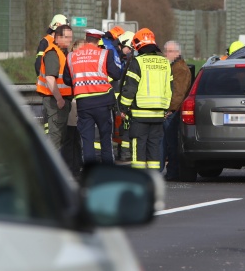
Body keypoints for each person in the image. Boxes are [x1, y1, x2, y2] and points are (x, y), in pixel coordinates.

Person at [118, 28, 172, 170]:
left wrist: (123, 107)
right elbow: (170, 88)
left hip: (140, 114)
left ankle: (139, 179)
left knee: (139, 146)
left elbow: (130, 88)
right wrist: (167, 108)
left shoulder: (137, 62)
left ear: (138, 45)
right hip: (158, 115)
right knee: (154, 146)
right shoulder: (165, 63)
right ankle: (154, 177)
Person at [68, 29, 121, 165]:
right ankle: (108, 171)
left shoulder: (72, 56)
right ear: (98, 40)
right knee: (105, 139)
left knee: (87, 141)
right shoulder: (104, 54)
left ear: (86, 39)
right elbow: (116, 74)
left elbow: (68, 80)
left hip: (83, 104)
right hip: (103, 103)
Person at [36, 24, 73, 153]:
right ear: (57, 38)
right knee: (55, 137)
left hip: (61, 100)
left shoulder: (64, 53)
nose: (69, 40)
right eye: (66, 37)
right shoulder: (52, 53)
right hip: (55, 101)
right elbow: (50, 78)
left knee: (59, 136)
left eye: (70, 37)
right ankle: (49, 170)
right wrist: (59, 99)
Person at [161, 41, 192, 181]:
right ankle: (171, 172)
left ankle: (173, 172)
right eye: (165, 51)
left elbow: (178, 93)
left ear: (177, 53)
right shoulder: (173, 67)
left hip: (173, 113)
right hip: (171, 112)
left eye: (170, 51)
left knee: (171, 144)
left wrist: (169, 109)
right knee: (168, 144)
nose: (166, 54)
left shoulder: (180, 69)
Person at [63, 39, 85, 178]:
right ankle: (73, 167)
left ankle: (74, 167)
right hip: (75, 102)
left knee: (73, 137)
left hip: (75, 101)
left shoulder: (71, 61)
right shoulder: (76, 62)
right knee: (73, 137)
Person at [116, 31, 135, 161]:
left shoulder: (128, 61)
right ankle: (126, 154)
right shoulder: (127, 60)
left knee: (126, 130)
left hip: (125, 102)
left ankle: (125, 154)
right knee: (126, 130)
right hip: (126, 102)